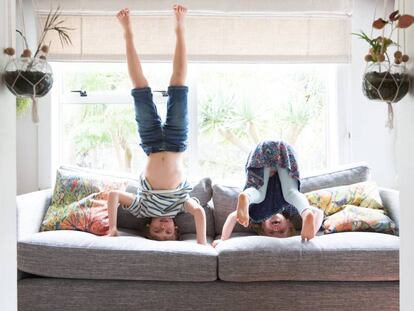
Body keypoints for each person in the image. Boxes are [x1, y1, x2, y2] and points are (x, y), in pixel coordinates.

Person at [106, 5, 207, 244]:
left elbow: (113, 195)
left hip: (151, 143)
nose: (163, 227)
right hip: (176, 141)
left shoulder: (141, 208)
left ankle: (128, 32)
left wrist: (112, 228)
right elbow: (200, 212)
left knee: (139, 88)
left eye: (157, 231)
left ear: (148, 226)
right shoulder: (181, 205)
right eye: (168, 232)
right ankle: (180, 28)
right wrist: (202, 243)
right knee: (179, 83)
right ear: (176, 229)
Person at [212, 140, 324, 247]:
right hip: (283, 151)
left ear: (262, 227)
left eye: (271, 232)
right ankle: (306, 213)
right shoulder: (289, 208)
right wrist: (313, 233)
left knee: (261, 195)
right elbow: (318, 212)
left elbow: (233, 217)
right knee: (290, 194)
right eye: (282, 231)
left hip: (262, 152)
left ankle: (246, 196)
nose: (276, 229)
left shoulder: (256, 214)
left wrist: (223, 240)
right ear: (289, 223)